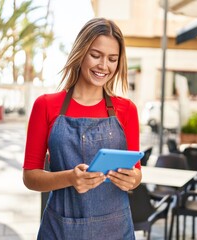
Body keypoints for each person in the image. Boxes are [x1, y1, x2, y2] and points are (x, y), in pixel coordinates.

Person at [22, 17, 142, 240]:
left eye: (112, 59)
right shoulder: (46, 105)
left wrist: (132, 179)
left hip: (115, 229)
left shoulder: (126, 110)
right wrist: (70, 178)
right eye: (95, 55)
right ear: (80, 53)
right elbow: (30, 177)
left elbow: (136, 173)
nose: (103, 66)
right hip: (61, 229)